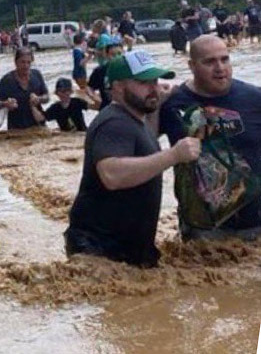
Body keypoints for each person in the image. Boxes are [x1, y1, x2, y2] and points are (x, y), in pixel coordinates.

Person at [65, 51, 200, 267]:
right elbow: (111, 174)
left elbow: (142, 147)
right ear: (118, 87)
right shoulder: (114, 123)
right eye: (143, 83)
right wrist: (174, 155)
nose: (153, 88)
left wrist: (157, 102)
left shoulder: (134, 118)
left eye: (155, 81)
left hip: (124, 250)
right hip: (101, 250)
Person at [159, 35, 261, 240]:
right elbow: (142, 143)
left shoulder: (254, 98)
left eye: (225, 59)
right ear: (191, 65)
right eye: (209, 62)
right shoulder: (171, 104)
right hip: (203, 227)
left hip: (256, 221)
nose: (220, 68)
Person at [0, 47, 49, 130]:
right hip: (16, 127)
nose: (26, 66)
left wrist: (39, 99)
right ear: (16, 62)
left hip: (38, 124)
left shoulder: (37, 75)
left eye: (28, 62)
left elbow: (47, 97)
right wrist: (5, 104)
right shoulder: (7, 80)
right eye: (22, 62)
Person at [88, 36, 123, 110]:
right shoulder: (100, 71)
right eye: (113, 55)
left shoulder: (129, 69)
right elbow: (90, 87)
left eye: (119, 54)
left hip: (126, 109)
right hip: (107, 108)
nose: (116, 57)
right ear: (107, 55)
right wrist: (94, 98)